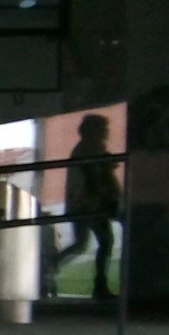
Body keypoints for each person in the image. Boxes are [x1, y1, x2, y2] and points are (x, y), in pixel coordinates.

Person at [54, 113, 121, 299]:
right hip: (90, 204)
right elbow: (94, 177)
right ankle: (99, 285)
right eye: (103, 128)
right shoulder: (90, 149)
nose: (107, 132)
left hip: (83, 204)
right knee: (104, 241)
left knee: (82, 243)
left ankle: (48, 267)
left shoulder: (86, 148)